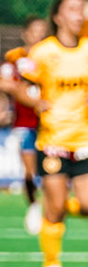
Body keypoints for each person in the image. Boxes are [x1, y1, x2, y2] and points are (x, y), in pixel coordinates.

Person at [16, 0, 88, 267]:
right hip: (52, 140)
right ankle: (51, 265)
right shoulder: (43, 52)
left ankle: (52, 208)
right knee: (55, 210)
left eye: (82, 9)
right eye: (72, 9)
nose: (79, 15)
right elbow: (22, 88)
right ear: (57, 17)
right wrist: (34, 102)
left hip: (86, 139)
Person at [0, 16, 50, 234]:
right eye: (35, 31)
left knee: (51, 169)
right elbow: (3, 81)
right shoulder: (15, 58)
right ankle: (34, 205)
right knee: (29, 170)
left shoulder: (51, 56)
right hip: (25, 121)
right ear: (25, 33)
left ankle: (51, 208)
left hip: (50, 123)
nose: (38, 35)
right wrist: (22, 91)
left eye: (42, 31)